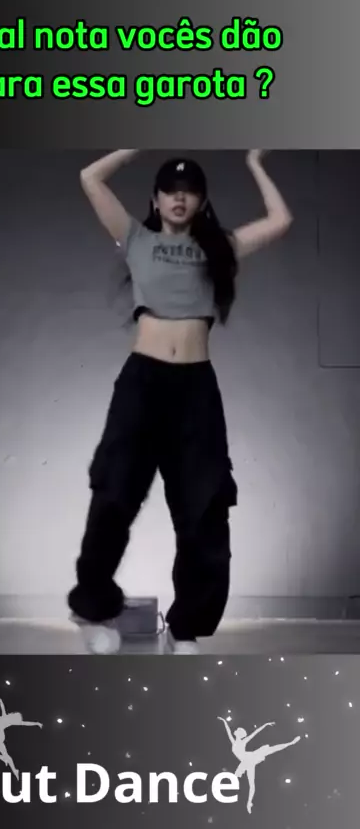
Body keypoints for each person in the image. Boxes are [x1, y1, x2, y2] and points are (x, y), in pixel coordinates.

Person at [67, 149, 293, 654]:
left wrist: (256, 164)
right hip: (143, 384)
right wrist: (134, 145)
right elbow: (90, 177)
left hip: (195, 390)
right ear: (156, 198)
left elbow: (280, 221)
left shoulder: (220, 248)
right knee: (114, 494)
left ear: (201, 202)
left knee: (204, 509)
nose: (179, 197)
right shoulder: (136, 238)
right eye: (170, 189)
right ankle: (93, 608)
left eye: (189, 192)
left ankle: (184, 627)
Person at [217, 717, 301, 812]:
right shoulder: (233, 741)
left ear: (239, 734)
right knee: (251, 784)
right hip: (247, 762)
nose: (234, 731)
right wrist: (224, 721)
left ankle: (291, 743)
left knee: (270, 750)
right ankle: (249, 803)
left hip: (249, 758)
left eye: (237, 730)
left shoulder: (243, 741)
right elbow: (228, 730)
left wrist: (265, 725)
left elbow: (255, 733)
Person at [0, 696, 43, 780]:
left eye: (14, 713)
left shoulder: (8, 720)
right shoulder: (5, 716)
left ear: (13, 716)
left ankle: (5, 760)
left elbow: (25, 723)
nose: (12, 713)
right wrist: (0, 700)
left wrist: (36, 723)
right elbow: (2, 707)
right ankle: (14, 769)